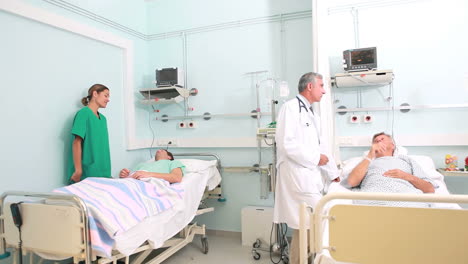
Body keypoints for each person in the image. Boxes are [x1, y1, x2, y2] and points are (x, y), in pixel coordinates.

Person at [273, 72, 340, 264]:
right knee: (308, 220)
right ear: (309, 87)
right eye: (321, 86)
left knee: (309, 223)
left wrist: (333, 173)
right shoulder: (290, 108)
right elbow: (287, 144)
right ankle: (300, 260)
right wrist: (316, 158)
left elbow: (322, 147)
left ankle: (308, 259)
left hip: (308, 173)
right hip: (296, 174)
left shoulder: (312, 114)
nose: (324, 91)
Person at [347, 132, 436, 207]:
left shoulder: (405, 160)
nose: (378, 141)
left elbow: (429, 189)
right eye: (375, 141)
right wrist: (370, 155)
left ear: (392, 145)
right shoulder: (366, 162)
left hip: (408, 200)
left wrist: (407, 176)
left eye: (382, 139)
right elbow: (351, 182)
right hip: (373, 201)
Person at [68, 84, 111, 184]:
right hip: (87, 173)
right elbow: (77, 143)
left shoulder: (103, 119)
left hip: (104, 173)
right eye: (106, 95)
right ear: (95, 94)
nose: (108, 99)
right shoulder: (83, 114)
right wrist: (78, 170)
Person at [119, 149, 185, 183]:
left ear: (169, 157)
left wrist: (148, 174)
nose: (158, 150)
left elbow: (176, 177)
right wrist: (124, 175)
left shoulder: (173, 163)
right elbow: (130, 177)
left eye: (162, 150)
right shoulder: (142, 164)